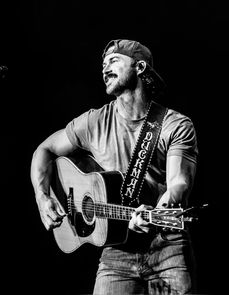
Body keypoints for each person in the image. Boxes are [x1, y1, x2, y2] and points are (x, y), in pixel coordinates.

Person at [30, 39, 198, 294]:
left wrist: (161, 208)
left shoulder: (175, 124)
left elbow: (179, 182)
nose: (105, 68)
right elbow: (45, 149)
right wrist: (43, 198)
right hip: (116, 253)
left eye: (114, 60)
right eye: (103, 64)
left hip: (168, 248)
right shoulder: (94, 121)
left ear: (140, 67)